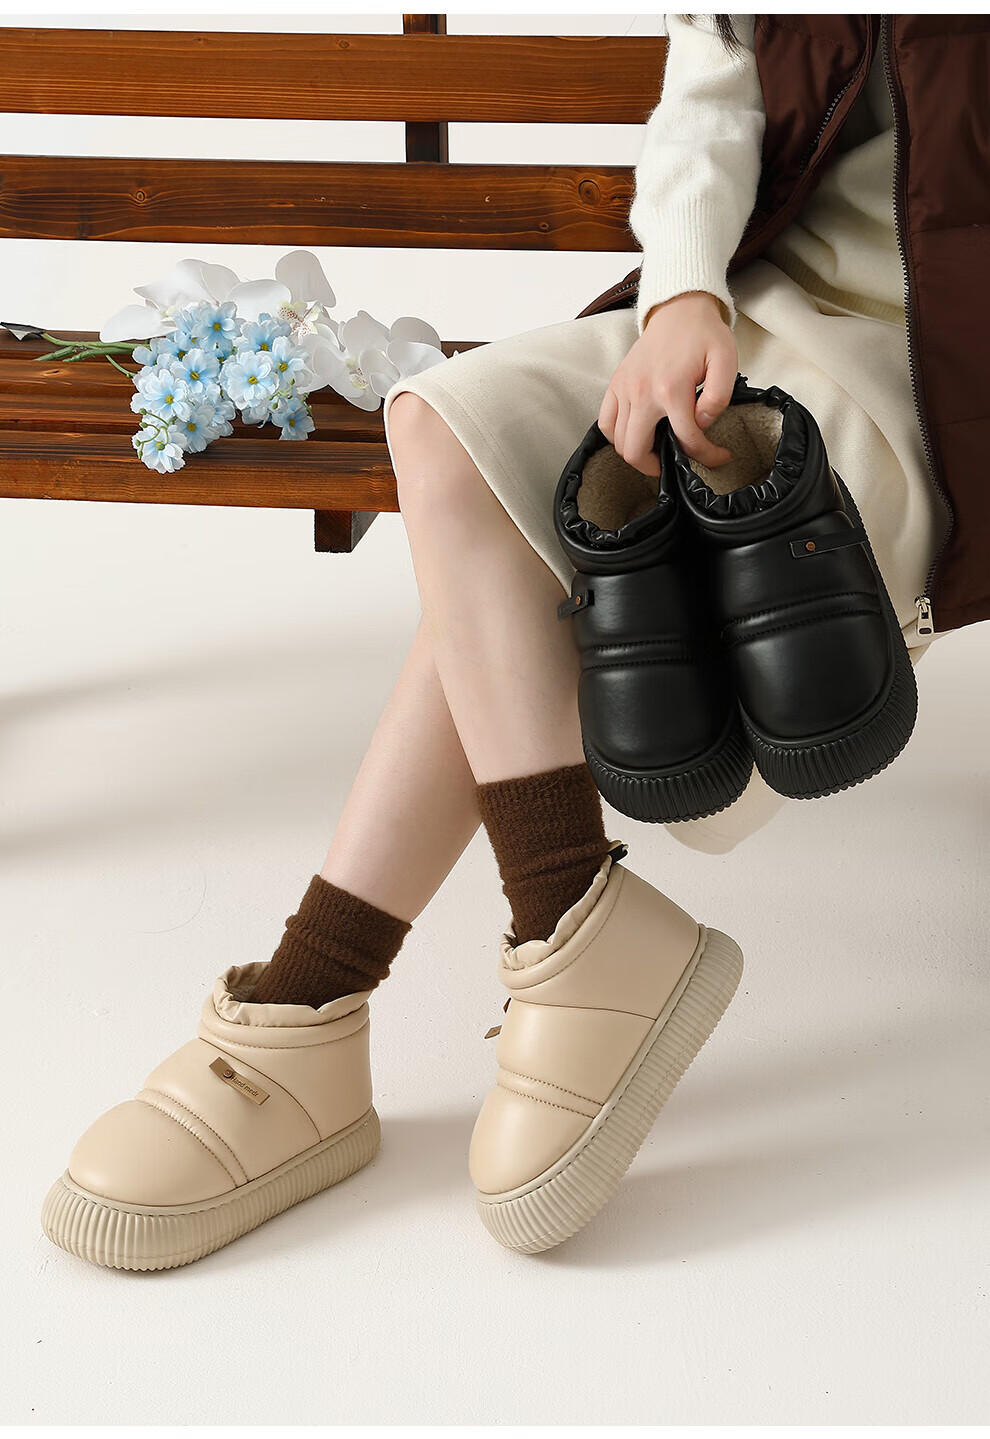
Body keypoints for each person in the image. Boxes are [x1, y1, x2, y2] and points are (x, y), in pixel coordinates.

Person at [40, 14, 951, 1269]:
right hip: (746, 303)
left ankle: (319, 991)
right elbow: (716, 77)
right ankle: (565, 917)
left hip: (929, 364)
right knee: (447, 429)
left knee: (529, 551)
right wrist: (684, 291)